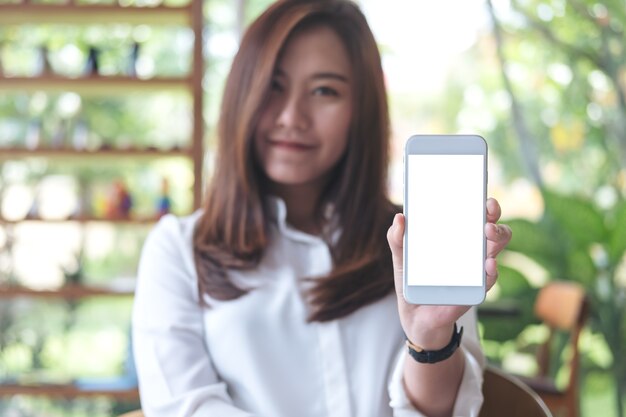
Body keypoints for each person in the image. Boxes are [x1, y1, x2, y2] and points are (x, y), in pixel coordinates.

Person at [131, 1, 512, 416]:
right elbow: (185, 409)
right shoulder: (179, 250)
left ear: (360, 110)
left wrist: (430, 340)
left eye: (324, 91)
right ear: (242, 94)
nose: (292, 117)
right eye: (274, 85)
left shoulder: (411, 241)